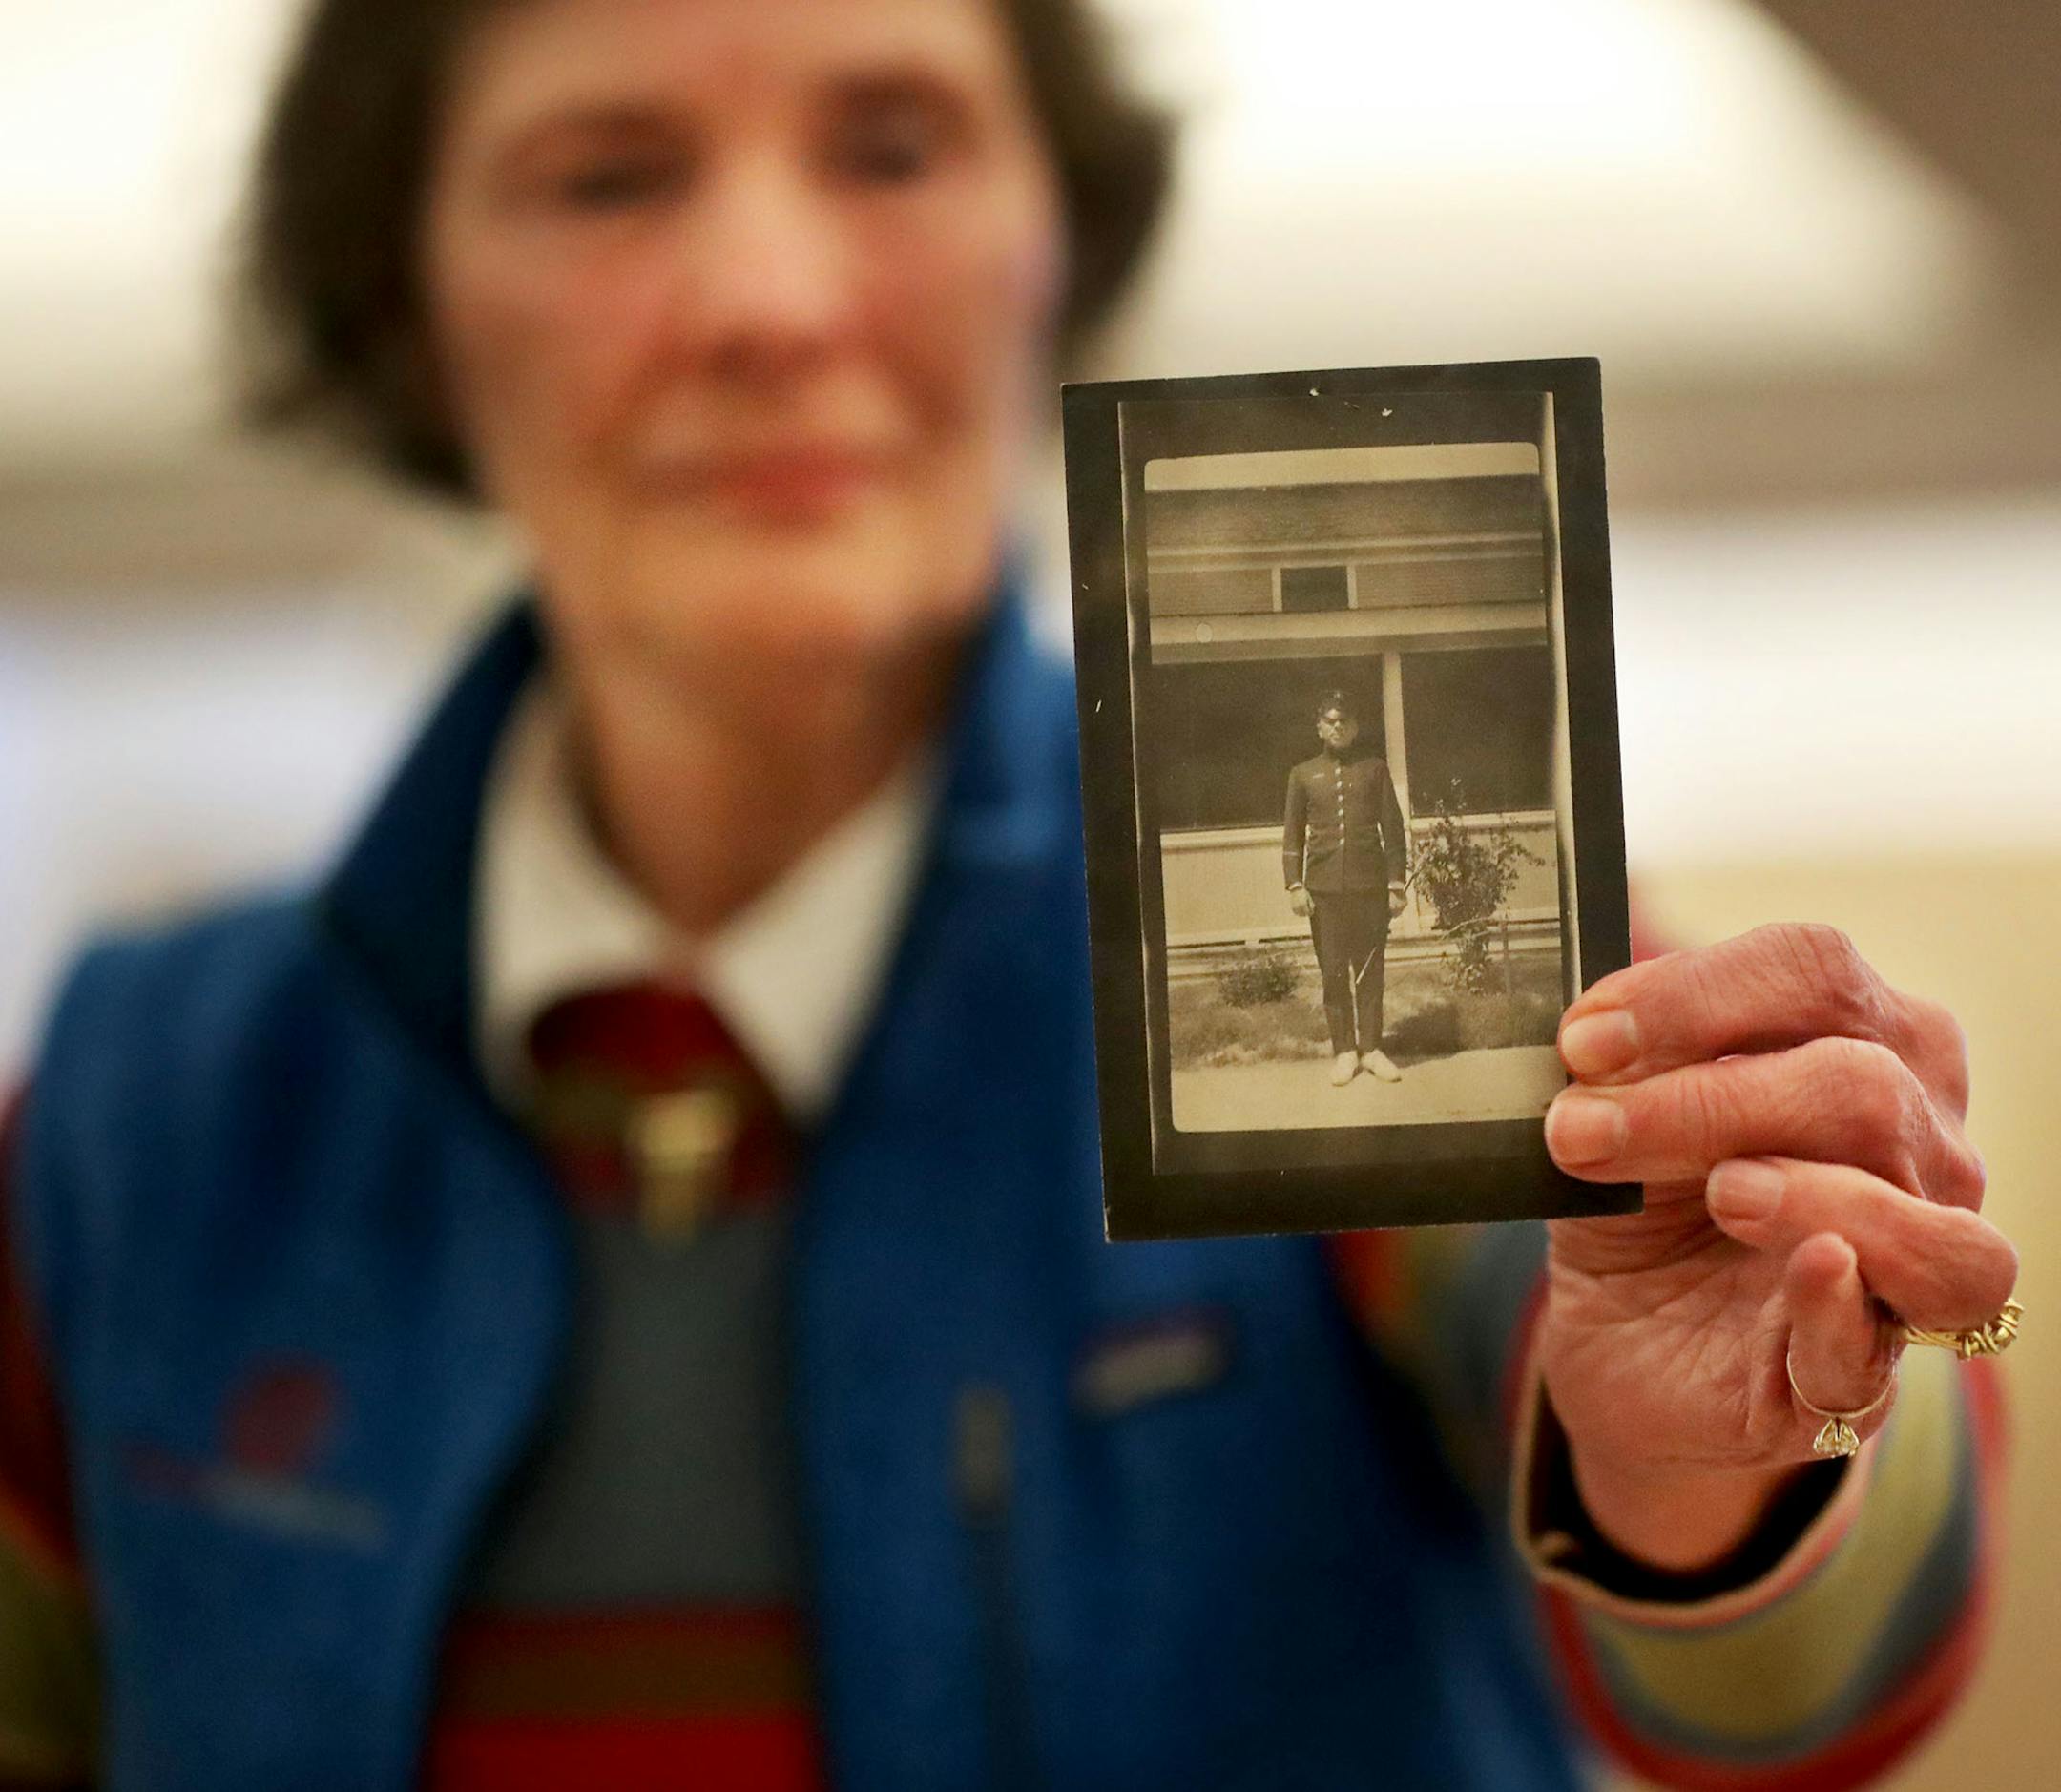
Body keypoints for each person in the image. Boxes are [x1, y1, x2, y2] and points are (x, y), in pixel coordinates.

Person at [0, 0, 2021, 1787]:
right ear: (405, 308)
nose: (771, 300)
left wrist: (1725, 1461)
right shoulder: (122, 1121)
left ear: (1060, 239)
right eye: (606, 178)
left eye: (893, 145)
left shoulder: (1494, 1037)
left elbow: (1790, 1691)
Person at [1282, 690, 1409, 1086]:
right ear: (1319, 727)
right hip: (1323, 893)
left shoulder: (1374, 769)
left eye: (1345, 721)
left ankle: (1371, 1049)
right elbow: (1292, 836)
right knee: (1334, 972)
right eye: (1331, 721)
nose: (1338, 727)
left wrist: (1395, 883)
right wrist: (1294, 885)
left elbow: (1393, 829)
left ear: (1355, 727)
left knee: (1370, 971)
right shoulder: (1302, 774)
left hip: (1369, 888)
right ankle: (1344, 1052)